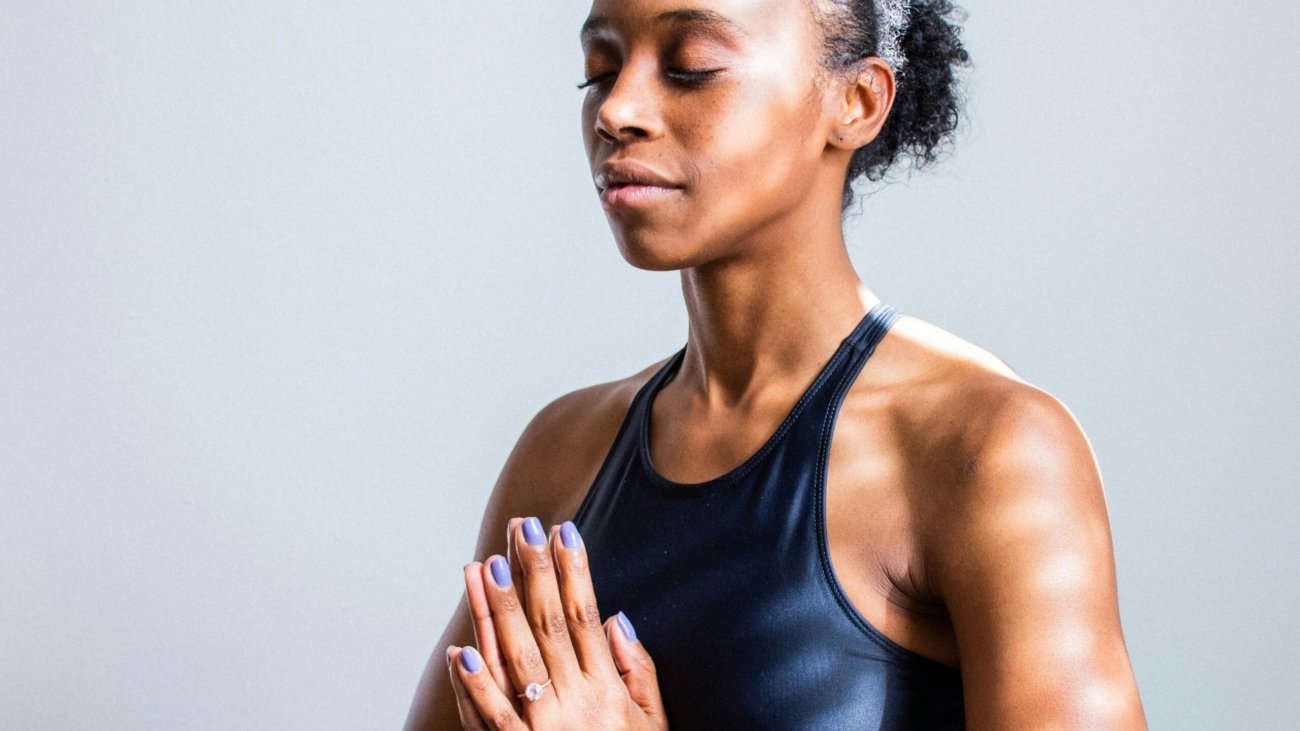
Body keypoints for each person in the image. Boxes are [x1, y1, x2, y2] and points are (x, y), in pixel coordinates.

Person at [406, 0, 1147, 727]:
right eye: (599, 70)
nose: (617, 110)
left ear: (856, 101)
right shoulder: (561, 452)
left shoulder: (989, 448)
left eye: (691, 67)